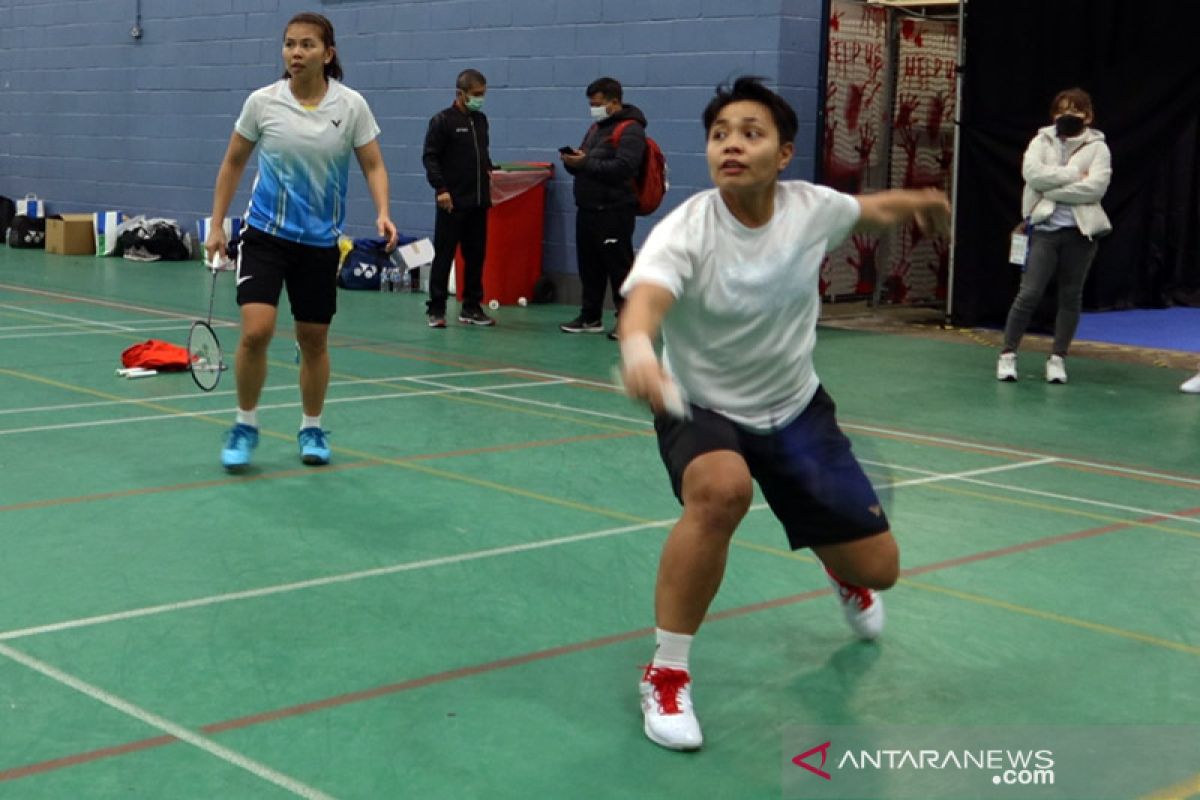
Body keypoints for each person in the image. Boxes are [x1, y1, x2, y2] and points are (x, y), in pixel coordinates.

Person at [617, 76, 951, 751]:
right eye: (719, 135)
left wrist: (915, 201)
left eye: (750, 133)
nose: (731, 146)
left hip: (796, 408)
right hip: (704, 404)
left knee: (878, 568)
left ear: (784, 151)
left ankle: (839, 571)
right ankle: (667, 672)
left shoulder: (810, 208)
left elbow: (867, 210)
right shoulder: (687, 228)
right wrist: (637, 351)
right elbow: (646, 300)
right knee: (720, 494)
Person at [207, 12, 397, 472]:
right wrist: (216, 225)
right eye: (290, 44)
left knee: (314, 340)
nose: (296, 52)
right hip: (265, 235)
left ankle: (311, 426)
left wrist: (383, 211)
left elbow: (373, 163)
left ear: (327, 54)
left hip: (319, 242)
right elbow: (233, 162)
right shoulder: (262, 103)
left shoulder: (350, 106)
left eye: (307, 45)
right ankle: (245, 423)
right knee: (257, 331)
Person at [996, 87, 1112, 384]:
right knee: (1029, 293)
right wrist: (1074, 175)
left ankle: (1058, 358)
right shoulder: (1040, 141)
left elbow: (1095, 189)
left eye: (1074, 110)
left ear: (1088, 116)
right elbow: (1032, 175)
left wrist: (1052, 186)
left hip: (1080, 234)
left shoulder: (1098, 148)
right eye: (1061, 110)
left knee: (1070, 296)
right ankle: (1008, 355)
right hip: (1043, 231)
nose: (1067, 115)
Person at [560, 77, 647, 340]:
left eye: (597, 104)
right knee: (590, 267)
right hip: (587, 208)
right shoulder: (596, 129)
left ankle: (629, 321)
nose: (593, 109)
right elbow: (588, 161)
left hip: (614, 210)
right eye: (591, 104)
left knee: (619, 268)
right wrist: (572, 162)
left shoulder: (631, 130)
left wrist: (585, 164)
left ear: (614, 101)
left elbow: (624, 168)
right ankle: (590, 316)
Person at [422, 69, 496, 328]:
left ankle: (472, 307)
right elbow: (430, 157)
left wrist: (489, 171)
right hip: (452, 202)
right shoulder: (442, 121)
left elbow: (481, 155)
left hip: (478, 201)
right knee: (444, 255)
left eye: (483, 94)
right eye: (476, 95)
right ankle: (437, 308)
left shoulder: (482, 121)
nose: (480, 99)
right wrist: (441, 188)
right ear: (460, 94)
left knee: (476, 256)